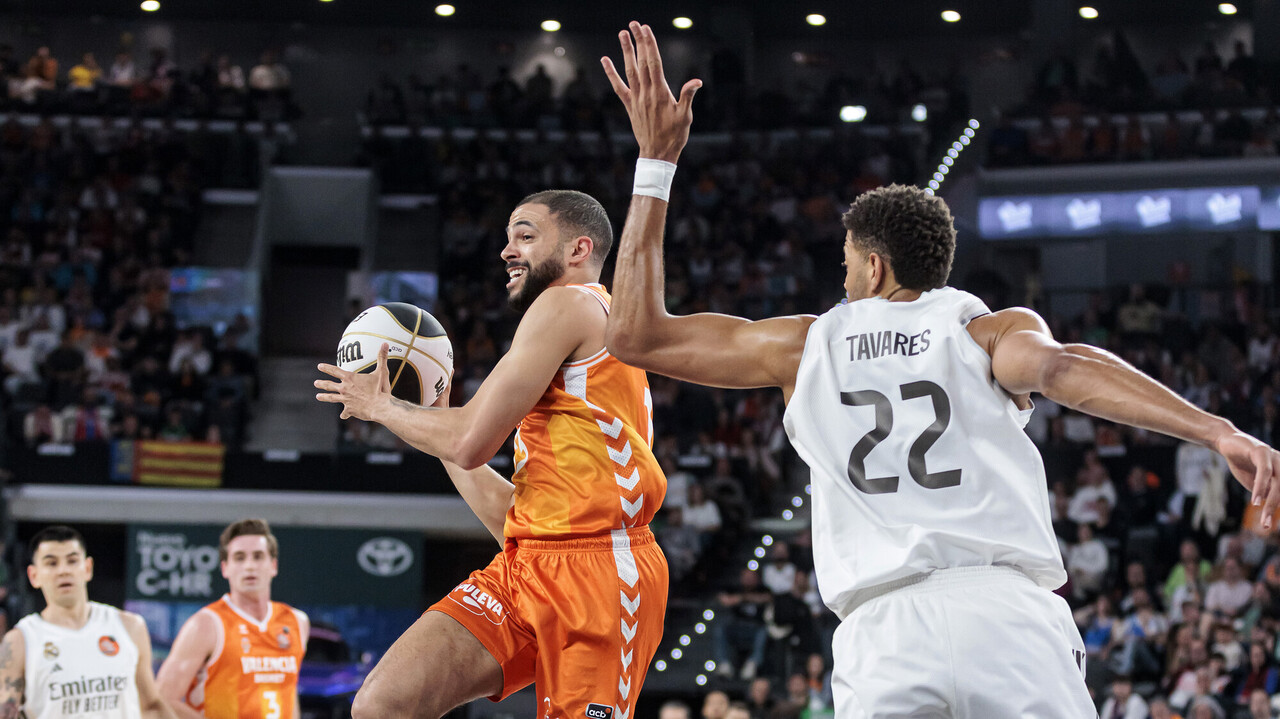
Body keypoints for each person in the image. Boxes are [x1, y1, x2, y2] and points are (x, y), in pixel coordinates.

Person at [599, 21, 1280, 718]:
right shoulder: (984, 332)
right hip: (1007, 616)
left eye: (844, 264)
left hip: (885, 629)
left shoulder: (805, 345)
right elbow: (1066, 368)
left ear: (873, 263)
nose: (842, 278)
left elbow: (633, 333)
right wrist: (1216, 428)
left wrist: (656, 160)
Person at [314, 189, 668, 719]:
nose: (507, 250)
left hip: (602, 575)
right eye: (507, 238)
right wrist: (436, 409)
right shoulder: (576, 336)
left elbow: (468, 440)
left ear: (578, 250)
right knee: (384, 703)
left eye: (525, 236)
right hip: (529, 566)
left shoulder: (569, 302)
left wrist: (381, 406)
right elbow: (499, 497)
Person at [0, 525, 178, 719]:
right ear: (34, 576)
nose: (63, 571)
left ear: (87, 568)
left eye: (72, 561)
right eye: (52, 563)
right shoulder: (20, 641)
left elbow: (151, 705)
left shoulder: (130, 627)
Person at [155, 519, 309, 719]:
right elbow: (161, 699)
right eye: (239, 558)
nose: (249, 566)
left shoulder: (297, 622)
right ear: (225, 568)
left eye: (258, 556)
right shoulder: (206, 624)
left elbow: (287, 692)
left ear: (273, 566)